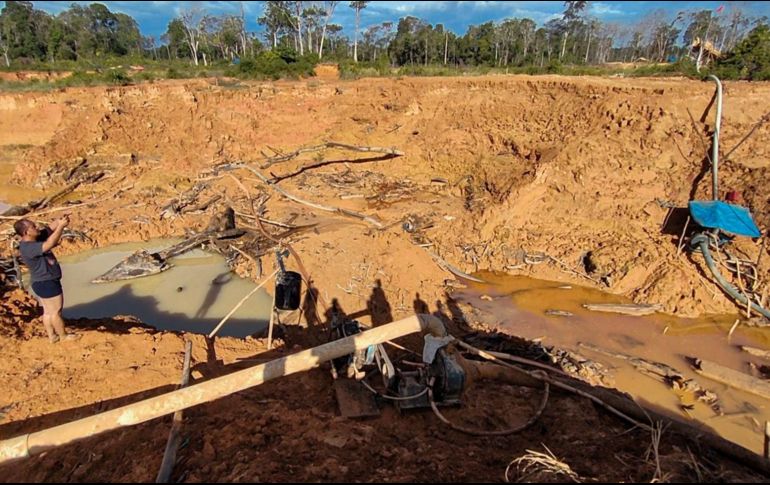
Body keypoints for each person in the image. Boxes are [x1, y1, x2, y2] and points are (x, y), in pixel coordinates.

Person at [14, 215, 79, 343]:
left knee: (48, 311)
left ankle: (52, 336)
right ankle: (63, 336)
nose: (37, 227)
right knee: (56, 312)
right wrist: (61, 227)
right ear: (26, 232)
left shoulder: (34, 238)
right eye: (33, 227)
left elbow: (49, 228)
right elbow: (50, 243)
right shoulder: (29, 247)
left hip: (40, 282)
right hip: (47, 282)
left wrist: (59, 220)